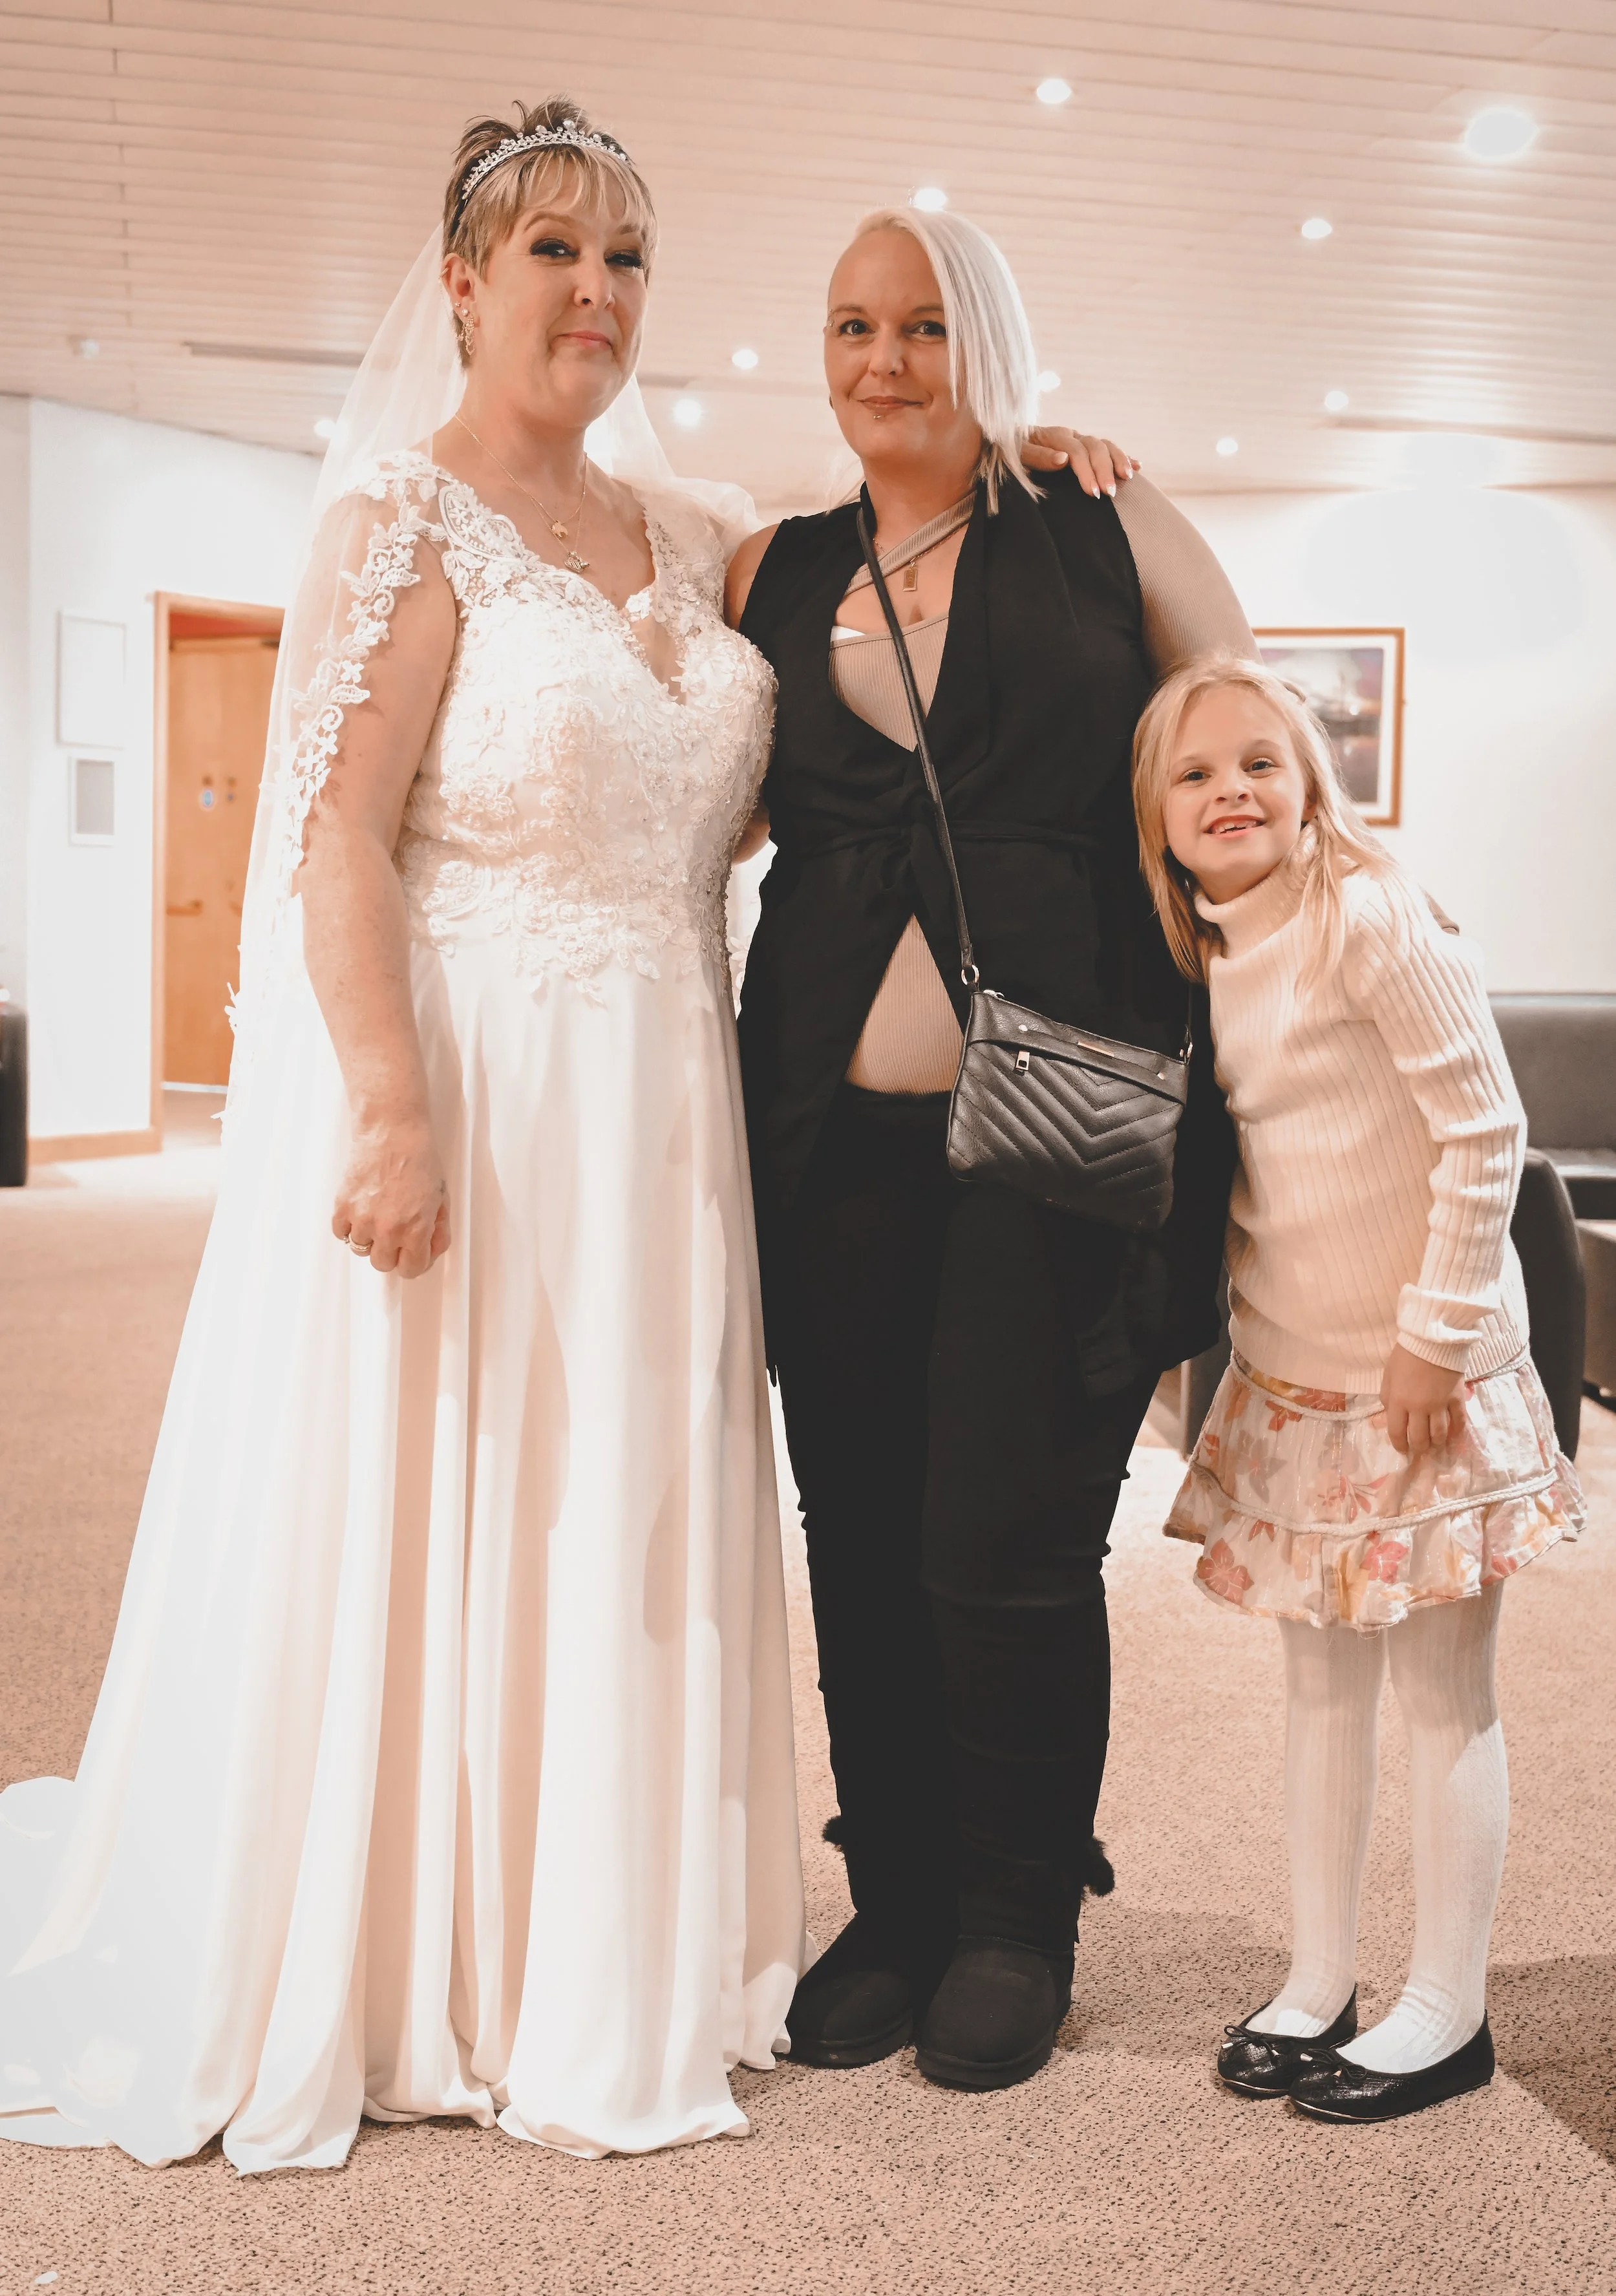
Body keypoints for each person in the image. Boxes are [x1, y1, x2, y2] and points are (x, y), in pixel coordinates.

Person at [0, 98, 811, 2169]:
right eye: (555, 253)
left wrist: (1047, 453)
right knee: (473, 1483)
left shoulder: (694, 533)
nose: (597, 294)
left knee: (623, 1496)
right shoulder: (402, 520)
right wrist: (385, 1105)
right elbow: (335, 838)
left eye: (626, 260)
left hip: (665, 1100)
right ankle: (430, 1953)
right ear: (460, 284)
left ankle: (597, 1940)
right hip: (481, 1081)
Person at [725, 206, 1253, 2092]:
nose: (883, 360)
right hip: (824, 1137)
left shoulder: (1105, 524)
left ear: (989, 340)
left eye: (925, 325)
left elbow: (1242, 758)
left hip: (1061, 1120)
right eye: (849, 325)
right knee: (859, 1530)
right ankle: (900, 1898)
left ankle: (1020, 1913)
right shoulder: (770, 568)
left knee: (1005, 1536)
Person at [1132, 654, 1582, 2122]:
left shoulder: (1367, 914)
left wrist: (1434, 1336)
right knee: (1319, 1689)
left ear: (1310, 781)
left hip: (1420, 1382)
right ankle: (1318, 1976)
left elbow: (1484, 1130)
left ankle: (1447, 2007)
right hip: (1293, 1382)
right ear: (1156, 813)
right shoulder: (1206, 950)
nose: (1231, 792)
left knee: (1442, 1690)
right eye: (1196, 773)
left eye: (1260, 762)